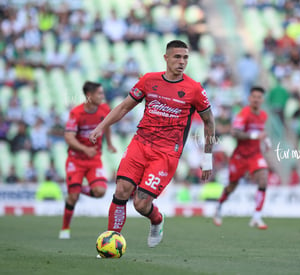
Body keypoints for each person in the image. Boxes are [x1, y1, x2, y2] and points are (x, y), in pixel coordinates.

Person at [89, 40, 215, 249]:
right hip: (140, 144)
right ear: (166, 58)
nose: (181, 62)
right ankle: (111, 242)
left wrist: (207, 157)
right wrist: (101, 126)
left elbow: (209, 122)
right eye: (177, 57)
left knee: (140, 203)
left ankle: (156, 220)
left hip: (166, 154)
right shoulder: (149, 81)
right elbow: (123, 107)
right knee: (121, 190)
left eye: (185, 58)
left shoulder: (194, 89)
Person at [59, 81, 116, 239]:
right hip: (76, 160)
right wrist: (85, 149)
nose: (102, 96)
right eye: (99, 93)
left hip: (94, 159)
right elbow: (68, 137)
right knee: (73, 198)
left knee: (100, 191)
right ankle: (65, 228)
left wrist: (110, 144)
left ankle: (77, 189)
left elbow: (108, 125)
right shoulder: (76, 113)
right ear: (89, 96)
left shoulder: (104, 109)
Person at [213, 86, 271, 229]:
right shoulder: (244, 114)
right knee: (233, 186)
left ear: (262, 100)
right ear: (249, 99)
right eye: (254, 97)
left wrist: (266, 140)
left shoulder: (263, 115)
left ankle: (257, 217)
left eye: (259, 97)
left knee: (263, 178)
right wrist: (255, 136)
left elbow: (261, 131)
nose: (257, 99)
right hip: (240, 156)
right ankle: (219, 206)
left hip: (255, 154)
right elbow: (235, 132)